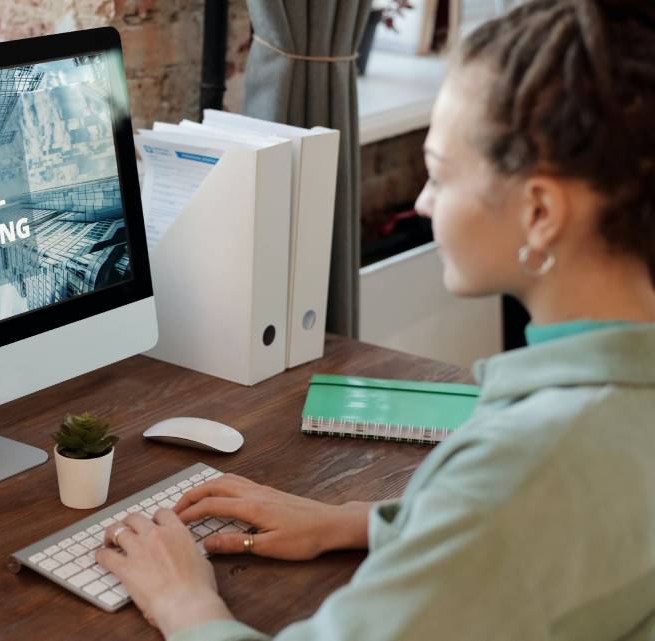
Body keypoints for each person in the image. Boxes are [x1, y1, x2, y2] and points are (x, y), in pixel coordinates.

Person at [94, 0, 655, 638]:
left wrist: (184, 602)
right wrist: (358, 520)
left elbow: (515, 509)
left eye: (440, 175)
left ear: (540, 213)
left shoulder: (526, 466)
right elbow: (555, 534)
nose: (422, 200)